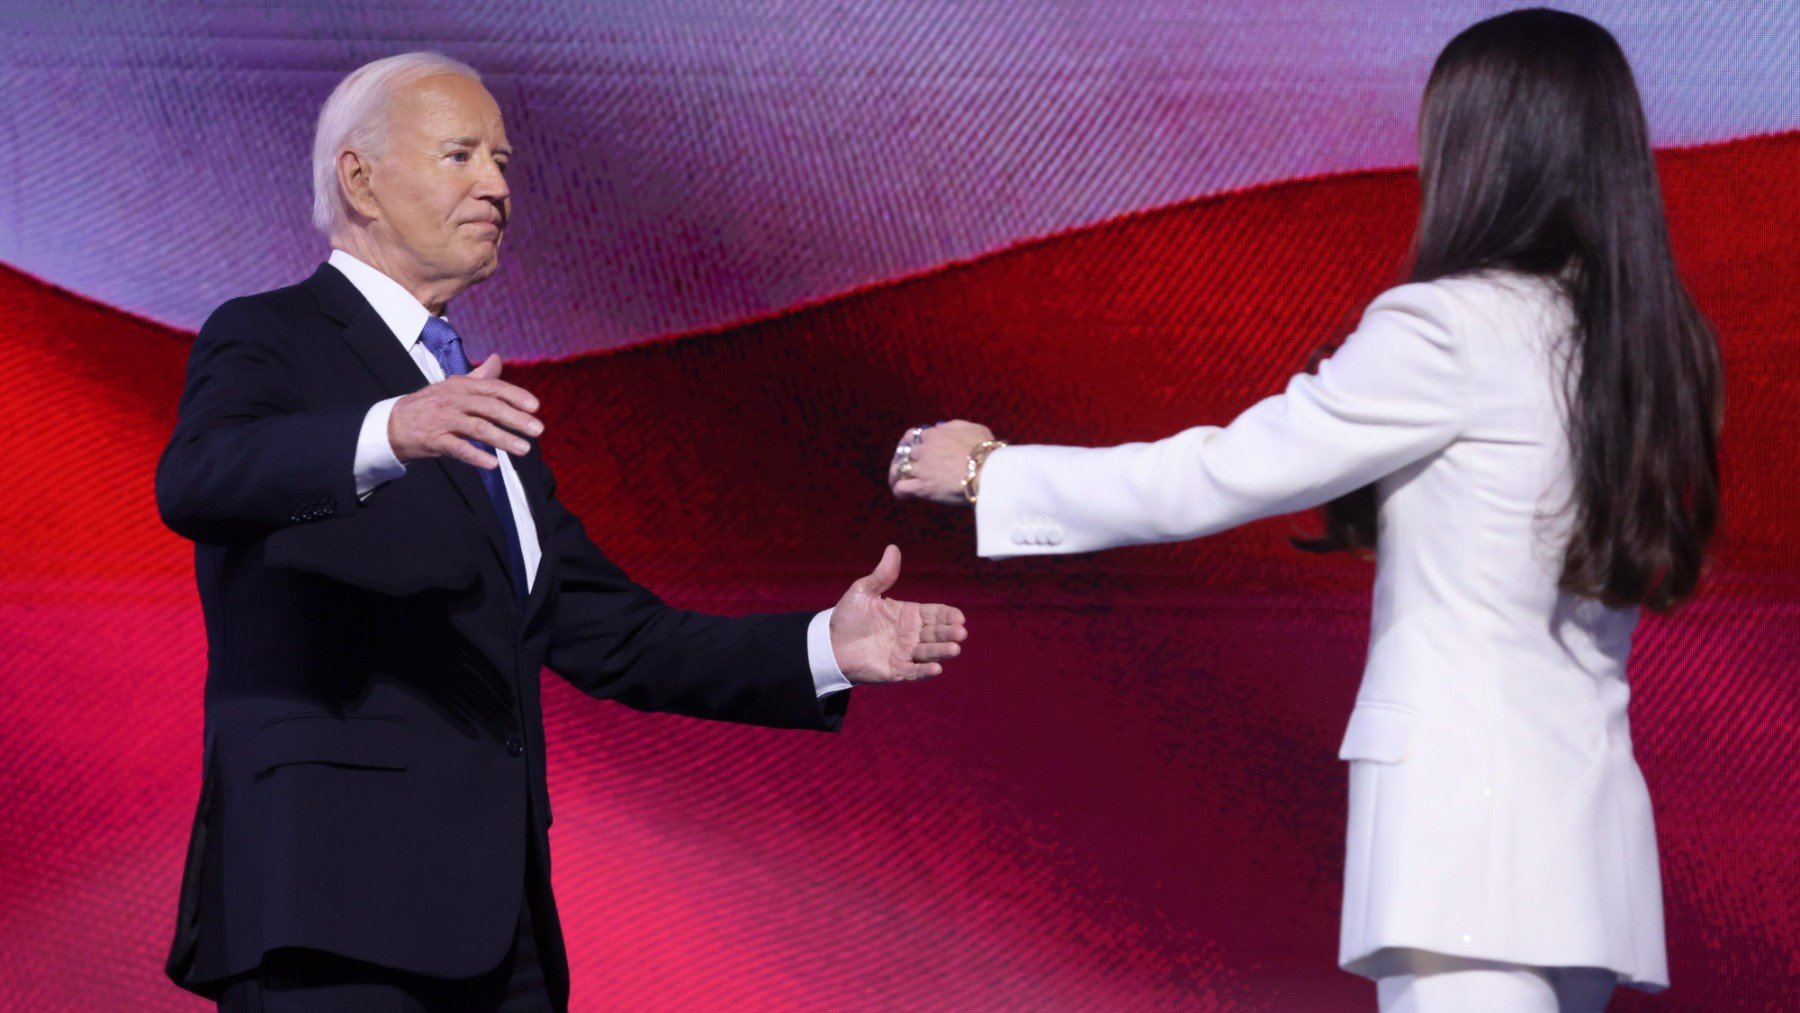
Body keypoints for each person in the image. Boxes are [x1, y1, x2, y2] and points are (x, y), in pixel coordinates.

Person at [891, 9, 1720, 1012]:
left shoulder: (1453, 326)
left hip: (1464, 842)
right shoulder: (1650, 349)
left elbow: (1222, 474)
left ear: (1482, 151)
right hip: (1581, 850)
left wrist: (996, 473)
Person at [157, 52, 968, 1012]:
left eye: (501, 160)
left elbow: (616, 634)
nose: (496, 184)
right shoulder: (269, 335)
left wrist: (820, 648)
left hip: (503, 936)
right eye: (459, 154)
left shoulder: (480, 407)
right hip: (330, 913)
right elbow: (198, 479)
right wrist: (389, 429)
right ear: (359, 178)